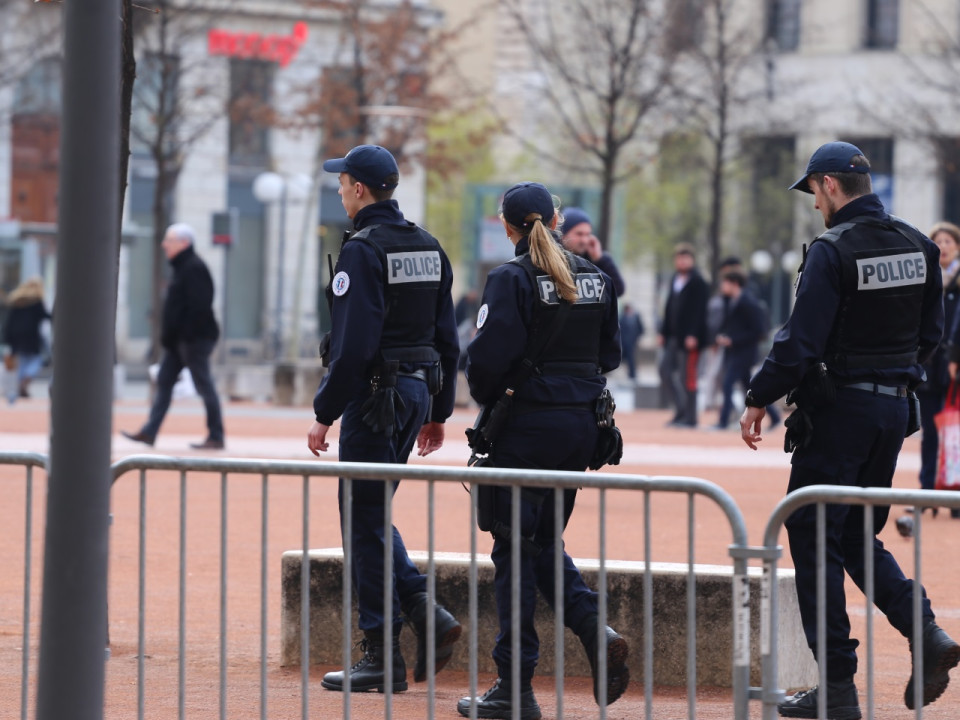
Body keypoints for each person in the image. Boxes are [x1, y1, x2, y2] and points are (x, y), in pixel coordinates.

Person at [739, 141, 960, 718]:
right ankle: (926, 632)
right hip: (892, 413)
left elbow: (799, 340)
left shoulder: (832, 251)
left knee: (813, 538)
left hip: (839, 413)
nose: (814, 204)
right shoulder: (918, 245)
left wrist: (759, 396)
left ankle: (836, 688)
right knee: (856, 536)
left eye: (813, 191)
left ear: (830, 185)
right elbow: (931, 336)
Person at [459, 182, 627, 720]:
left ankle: (514, 687)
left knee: (513, 551)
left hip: (525, 429)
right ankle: (592, 628)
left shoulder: (510, 278)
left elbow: (484, 364)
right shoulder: (596, 277)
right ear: (556, 219)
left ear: (506, 226)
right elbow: (611, 355)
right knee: (538, 542)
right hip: (578, 429)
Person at [306, 144, 462, 694]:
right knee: (371, 513)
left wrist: (324, 413)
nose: (339, 191)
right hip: (416, 393)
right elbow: (448, 338)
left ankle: (381, 654)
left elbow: (352, 348)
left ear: (358, 189)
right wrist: (439, 410)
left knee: (363, 521)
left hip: (375, 397)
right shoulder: (428, 245)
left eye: (342, 183)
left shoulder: (362, 251)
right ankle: (424, 611)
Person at [122, 224, 225, 449]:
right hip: (179, 341)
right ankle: (149, 432)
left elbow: (199, 307)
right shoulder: (182, 267)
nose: (164, 244)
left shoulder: (193, 267)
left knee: (204, 384)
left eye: (169, 240)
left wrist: (186, 336)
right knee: (164, 382)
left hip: (193, 340)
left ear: (184, 243)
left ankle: (216, 436)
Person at [913, 221, 960, 518]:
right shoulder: (924, 278)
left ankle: (955, 496)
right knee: (930, 433)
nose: (942, 246)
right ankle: (927, 492)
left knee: (955, 433)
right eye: (937, 241)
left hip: (955, 369)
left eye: (948, 241)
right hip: (929, 367)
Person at [713, 270, 780, 430]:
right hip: (737, 352)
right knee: (751, 389)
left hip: (745, 353)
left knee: (728, 384)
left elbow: (759, 331)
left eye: (725, 283)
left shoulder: (748, 302)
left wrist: (733, 340)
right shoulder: (733, 301)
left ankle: (723, 422)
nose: (722, 286)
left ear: (734, 284)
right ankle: (776, 417)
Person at [657, 243, 709, 427]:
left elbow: (700, 312)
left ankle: (690, 418)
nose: (682, 261)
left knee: (687, 377)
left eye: (686, 258)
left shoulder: (698, 282)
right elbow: (669, 307)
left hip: (690, 339)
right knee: (664, 370)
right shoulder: (675, 280)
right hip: (673, 337)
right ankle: (680, 411)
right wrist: (663, 332)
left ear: (692, 260)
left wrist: (693, 335)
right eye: (679, 258)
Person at [2, 276, 51, 403]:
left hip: (16, 336)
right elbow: (45, 316)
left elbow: (9, 321)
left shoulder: (17, 300)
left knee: (22, 361)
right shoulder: (36, 301)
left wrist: (7, 338)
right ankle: (26, 379)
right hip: (31, 335)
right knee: (37, 359)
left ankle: (21, 385)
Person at [559, 207, 626, 297]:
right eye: (579, 234)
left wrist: (600, 259)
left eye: (587, 234)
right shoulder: (554, 258)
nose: (584, 240)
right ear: (563, 234)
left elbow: (618, 290)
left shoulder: (592, 258)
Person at [619, 302, 645, 382]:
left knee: (632, 358)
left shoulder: (636, 317)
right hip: (624, 342)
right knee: (625, 358)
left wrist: (637, 337)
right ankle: (630, 373)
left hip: (633, 342)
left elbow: (641, 329)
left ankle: (632, 374)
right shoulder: (622, 318)